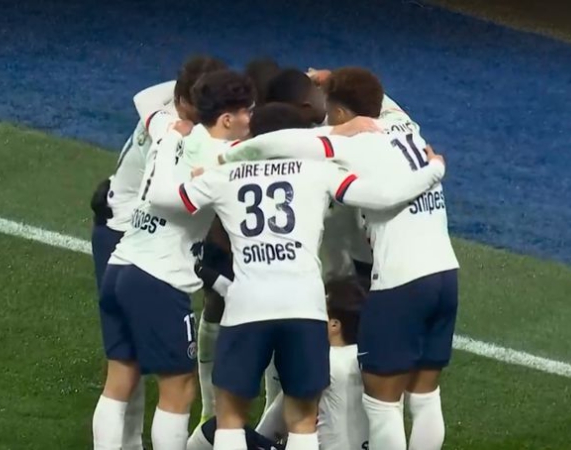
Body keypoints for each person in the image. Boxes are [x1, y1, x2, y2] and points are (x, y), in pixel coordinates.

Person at [146, 114, 446, 450]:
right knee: (303, 421)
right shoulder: (318, 171)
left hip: (247, 307)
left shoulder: (224, 175)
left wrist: (168, 142)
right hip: (305, 309)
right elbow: (384, 196)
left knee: (229, 418)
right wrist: (433, 170)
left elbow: (162, 196)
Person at [219, 66, 459, 450]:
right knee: (426, 396)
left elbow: (283, 143)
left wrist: (337, 131)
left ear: (344, 112)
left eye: (331, 109)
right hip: (445, 274)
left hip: (401, 281)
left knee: (383, 404)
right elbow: (381, 100)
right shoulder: (406, 126)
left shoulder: (354, 142)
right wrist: (336, 79)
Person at [91, 69, 254, 450]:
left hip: (121, 266)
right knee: (178, 387)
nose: (251, 118)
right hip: (159, 279)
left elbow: (147, 102)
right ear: (226, 119)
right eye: (246, 112)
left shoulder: (171, 130)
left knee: (119, 379)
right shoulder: (224, 159)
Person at [187, 277, 369, 450]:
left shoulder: (322, 361)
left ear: (334, 325)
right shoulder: (367, 360)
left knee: (216, 430)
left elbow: (271, 428)